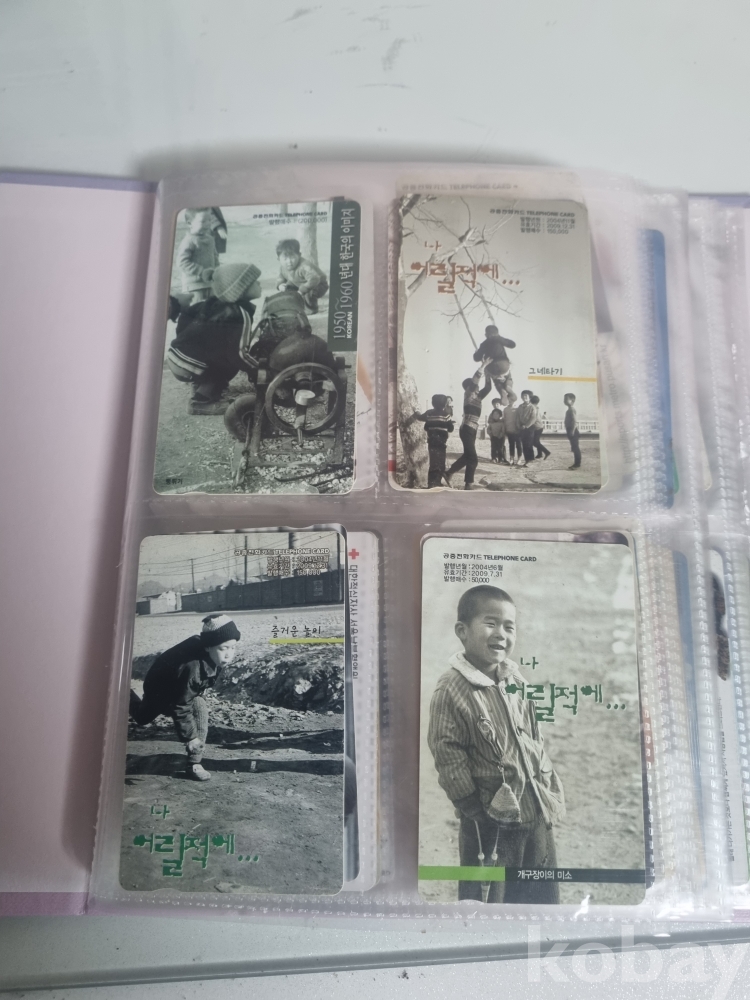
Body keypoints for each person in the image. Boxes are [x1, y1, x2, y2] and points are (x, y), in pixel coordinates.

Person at [427, 585, 565, 903]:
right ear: (462, 631)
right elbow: (447, 753)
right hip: (488, 820)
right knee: (489, 898)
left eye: (509, 626)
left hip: (534, 808)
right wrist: (471, 805)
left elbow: (534, 736)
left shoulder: (516, 680)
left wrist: (545, 783)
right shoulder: (452, 689)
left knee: (538, 893)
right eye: (490, 623)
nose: (501, 633)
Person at [129, 614, 241, 781]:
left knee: (200, 708)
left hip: (182, 686)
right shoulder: (192, 668)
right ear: (208, 647)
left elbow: (196, 686)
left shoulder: (214, 656)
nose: (229, 654)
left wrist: (198, 692)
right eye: (223, 648)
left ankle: (194, 763)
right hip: (160, 689)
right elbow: (181, 705)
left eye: (233, 648)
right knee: (142, 718)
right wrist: (190, 737)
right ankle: (124, 693)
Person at [166, 263, 262, 414]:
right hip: (190, 365)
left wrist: (184, 342)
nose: (260, 283)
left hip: (175, 357)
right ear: (241, 289)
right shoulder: (240, 313)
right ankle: (201, 401)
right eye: (255, 281)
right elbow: (239, 354)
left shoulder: (211, 304)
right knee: (229, 363)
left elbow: (186, 316)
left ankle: (200, 385)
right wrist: (258, 369)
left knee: (216, 353)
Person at [446, 362, 492, 489]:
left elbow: (488, 388)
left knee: (468, 456)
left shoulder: (478, 397)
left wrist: (488, 374)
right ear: (469, 387)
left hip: (471, 429)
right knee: (473, 458)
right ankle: (469, 484)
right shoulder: (469, 393)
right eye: (475, 386)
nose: (478, 387)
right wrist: (483, 366)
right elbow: (475, 381)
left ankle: (448, 473)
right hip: (467, 428)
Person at [178, 209, 220, 304]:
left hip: (210, 284)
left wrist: (216, 272)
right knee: (197, 309)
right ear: (190, 223)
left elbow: (215, 257)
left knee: (212, 309)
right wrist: (202, 271)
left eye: (209, 220)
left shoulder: (210, 239)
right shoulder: (189, 241)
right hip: (194, 286)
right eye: (203, 221)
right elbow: (182, 262)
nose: (208, 224)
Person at [276, 238, 329, 313]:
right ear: (279, 259)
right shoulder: (283, 267)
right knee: (287, 287)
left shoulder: (304, 266)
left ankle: (311, 308)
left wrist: (302, 290)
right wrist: (280, 285)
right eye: (285, 259)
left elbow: (315, 279)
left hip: (318, 284)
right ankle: (293, 305)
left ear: (299, 255)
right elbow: (281, 277)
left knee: (309, 291)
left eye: (292, 257)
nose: (289, 261)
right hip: (299, 283)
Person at [417, 394, 455, 488]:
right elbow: (451, 429)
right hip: (441, 443)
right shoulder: (446, 415)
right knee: (441, 463)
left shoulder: (430, 415)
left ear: (433, 403)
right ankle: (437, 482)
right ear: (444, 404)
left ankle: (431, 483)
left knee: (433, 463)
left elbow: (426, 427)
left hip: (432, 442)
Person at [472, 325, 516, 404]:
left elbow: (477, 358)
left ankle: (502, 391)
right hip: (503, 363)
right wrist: (500, 338)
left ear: (486, 334)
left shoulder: (484, 344)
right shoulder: (499, 339)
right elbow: (513, 344)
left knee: (496, 381)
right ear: (497, 333)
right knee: (508, 376)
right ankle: (508, 386)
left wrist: (476, 353)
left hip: (491, 367)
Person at [516, 390, 538, 465]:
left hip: (530, 427)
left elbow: (533, 418)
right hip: (521, 428)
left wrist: (526, 426)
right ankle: (526, 460)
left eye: (526, 396)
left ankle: (530, 460)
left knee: (529, 444)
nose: (524, 397)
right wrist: (518, 425)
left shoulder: (532, 407)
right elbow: (517, 417)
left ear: (530, 397)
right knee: (524, 444)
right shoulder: (520, 406)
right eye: (523, 396)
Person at [486, 398, 508, 464]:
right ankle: (494, 458)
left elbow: (504, 424)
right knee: (494, 446)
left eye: (497, 404)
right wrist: (491, 433)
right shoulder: (492, 414)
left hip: (501, 434)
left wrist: (502, 434)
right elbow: (489, 423)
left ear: (500, 404)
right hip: (494, 433)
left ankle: (503, 458)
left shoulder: (502, 413)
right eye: (494, 404)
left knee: (502, 446)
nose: (496, 405)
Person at [503, 391, 522, 466]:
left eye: (512, 399)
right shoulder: (505, 409)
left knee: (518, 445)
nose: (510, 400)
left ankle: (519, 459)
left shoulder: (518, 408)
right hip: (509, 430)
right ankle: (511, 459)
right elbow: (504, 420)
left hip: (518, 430)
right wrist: (505, 429)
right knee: (511, 445)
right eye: (509, 399)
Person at [564, 393, 581, 469]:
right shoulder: (569, 410)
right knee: (574, 447)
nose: (564, 401)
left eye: (566, 399)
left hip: (573, 430)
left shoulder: (572, 409)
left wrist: (572, 431)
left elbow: (574, 421)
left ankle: (577, 464)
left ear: (572, 400)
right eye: (564, 399)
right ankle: (576, 463)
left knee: (575, 448)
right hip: (570, 430)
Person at [530, 395, 550, 459]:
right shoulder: (537, 408)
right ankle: (539, 454)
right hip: (540, 426)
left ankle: (546, 452)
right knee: (537, 441)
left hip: (537, 427)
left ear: (531, 401)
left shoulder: (533, 408)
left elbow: (533, 418)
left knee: (534, 442)